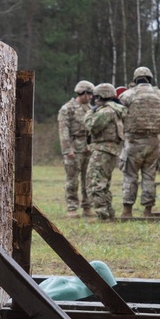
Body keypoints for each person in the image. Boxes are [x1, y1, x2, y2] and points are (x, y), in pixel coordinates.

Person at [117, 67, 160, 217]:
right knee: (149, 177)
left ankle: (127, 211)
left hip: (133, 142)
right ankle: (147, 211)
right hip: (153, 142)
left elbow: (117, 113)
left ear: (135, 79)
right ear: (150, 79)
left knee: (130, 176)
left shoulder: (128, 94)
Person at [84, 83, 125, 221]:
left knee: (95, 183)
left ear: (102, 96)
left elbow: (91, 125)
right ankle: (109, 213)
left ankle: (103, 215)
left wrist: (90, 112)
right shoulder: (115, 109)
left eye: (96, 96)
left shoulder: (106, 111)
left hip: (103, 150)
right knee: (103, 183)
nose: (94, 100)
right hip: (109, 150)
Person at [57, 80, 94, 217]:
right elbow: (63, 130)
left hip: (87, 148)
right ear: (82, 93)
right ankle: (72, 208)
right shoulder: (68, 108)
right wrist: (67, 149)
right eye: (89, 94)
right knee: (72, 179)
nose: (91, 97)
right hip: (74, 147)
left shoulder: (90, 109)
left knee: (88, 179)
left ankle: (87, 206)